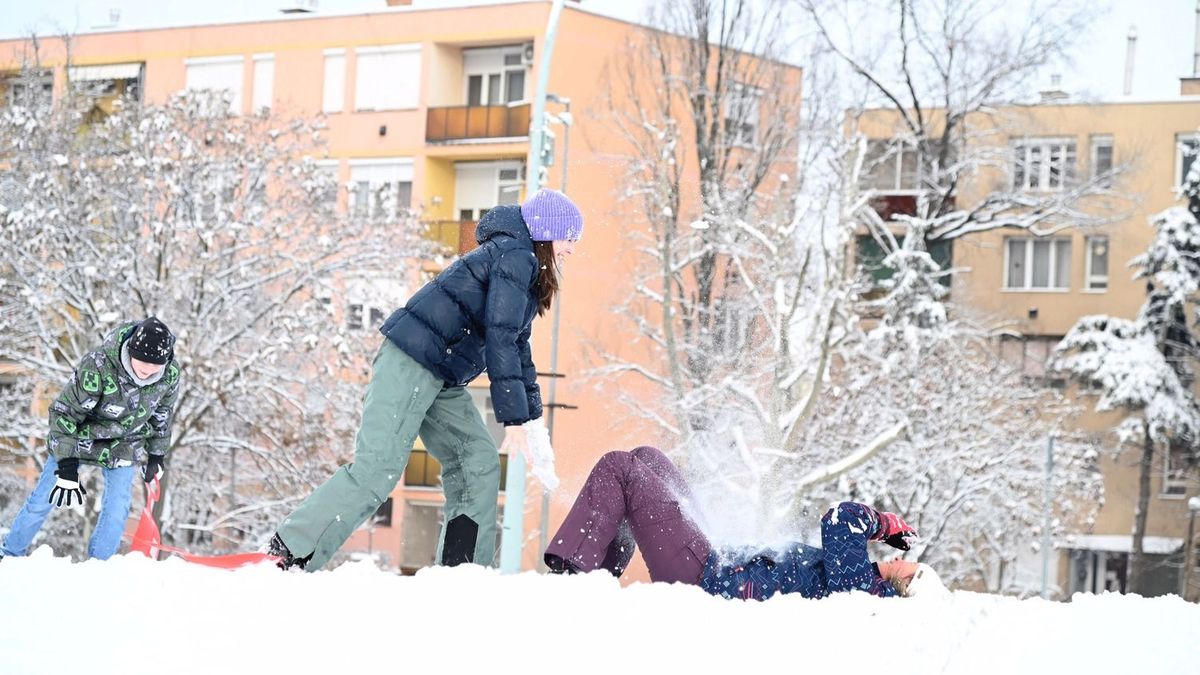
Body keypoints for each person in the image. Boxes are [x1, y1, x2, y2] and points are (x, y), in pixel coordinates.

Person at [268, 188, 584, 571]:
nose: (570, 250)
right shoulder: (516, 256)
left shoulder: (520, 262)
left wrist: (534, 426)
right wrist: (513, 419)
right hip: (411, 361)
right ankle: (289, 553)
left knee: (478, 461)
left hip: (442, 376)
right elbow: (500, 335)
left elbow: (518, 346)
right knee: (378, 469)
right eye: (568, 239)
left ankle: (461, 571)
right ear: (546, 233)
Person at [543, 446, 948, 599]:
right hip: (716, 558)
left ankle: (575, 574)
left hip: (705, 575)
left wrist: (883, 524)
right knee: (648, 459)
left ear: (905, 584)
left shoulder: (861, 588)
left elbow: (840, 520)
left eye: (914, 570)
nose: (907, 561)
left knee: (619, 467)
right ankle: (598, 579)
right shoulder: (856, 580)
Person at [1, 317, 181, 562]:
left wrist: (157, 455)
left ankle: (99, 566)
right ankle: (9, 555)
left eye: (155, 366)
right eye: (143, 363)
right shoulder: (98, 365)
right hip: (80, 437)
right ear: (131, 351)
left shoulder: (169, 375)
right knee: (45, 496)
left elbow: (162, 415)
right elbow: (64, 413)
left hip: (124, 444)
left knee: (118, 508)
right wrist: (66, 466)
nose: (148, 371)